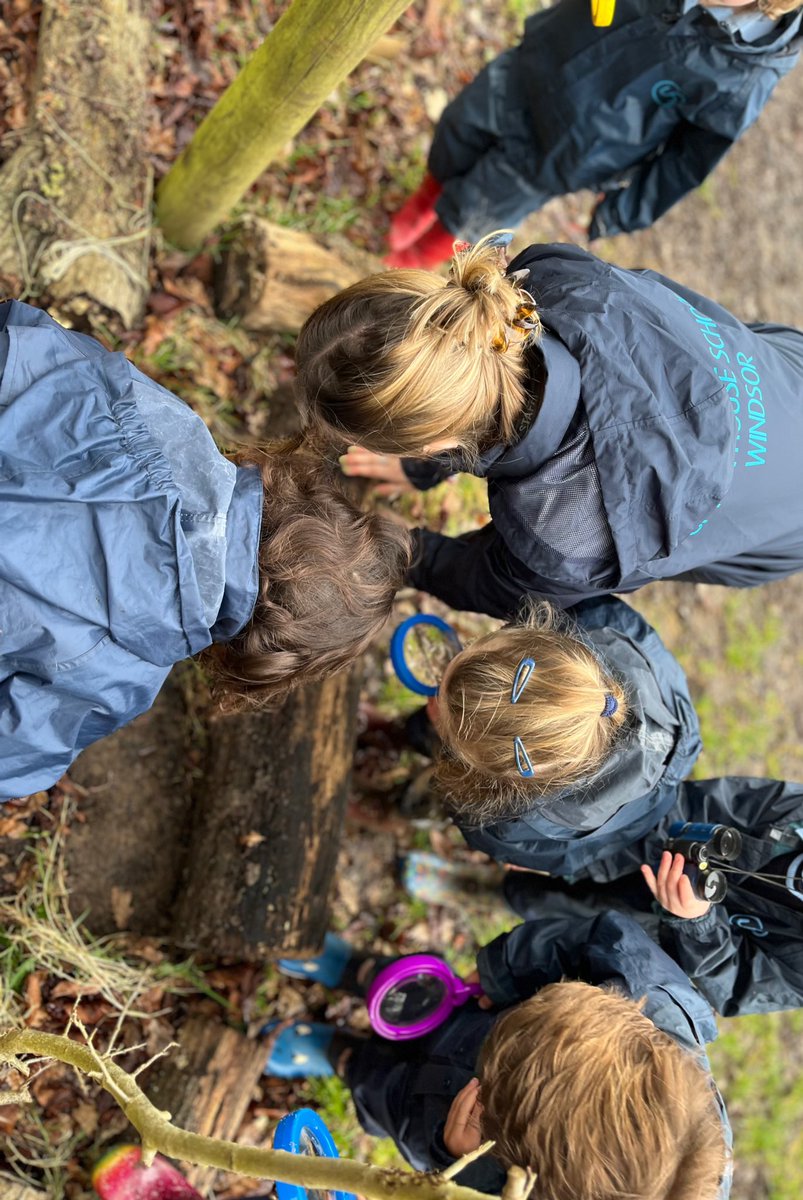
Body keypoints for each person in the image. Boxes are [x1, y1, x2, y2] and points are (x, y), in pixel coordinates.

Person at [0, 300, 410, 802]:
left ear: (303, 495)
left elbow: (26, 337)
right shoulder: (121, 671)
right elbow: (12, 759)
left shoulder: (169, 425)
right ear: (263, 657)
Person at [297, 237, 803, 616]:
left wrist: (388, 548)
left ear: (434, 442)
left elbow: (492, 581)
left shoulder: (570, 539)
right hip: (778, 372)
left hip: (780, 524)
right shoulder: (548, 279)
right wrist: (421, 469)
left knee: (659, 547)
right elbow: (485, 383)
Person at [266, 913, 731, 1199]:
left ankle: (342, 1056)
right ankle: (358, 970)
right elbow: (602, 939)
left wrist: (457, 1164)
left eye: (494, 1096)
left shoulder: (571, 1188)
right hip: (478, 1016)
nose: (481, 1086)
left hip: (441, 1124)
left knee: (387, 1095)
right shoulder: (655, 1000)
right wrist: (503, 972)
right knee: (412, 993)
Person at [385, 0, 803, 267]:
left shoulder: (743, 76)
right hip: (536, 65)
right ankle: (426, 199)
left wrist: (624, 209)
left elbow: (688, 160)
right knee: (458, 130)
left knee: (482, 204)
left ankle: (420, 254)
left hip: (570, 147)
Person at [377, 596, 701, 879]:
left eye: (446, 725)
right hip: (651, 782)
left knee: (437, 787)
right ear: (535, 637)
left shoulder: (507, 827)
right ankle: (402, 737)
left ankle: (400, 802)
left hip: (621, 829)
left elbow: (467, 811)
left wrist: (442, 739)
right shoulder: (601, 621)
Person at [505, 775, 803, 1016]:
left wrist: (696, 923)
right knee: (535, 848)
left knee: (546, 909)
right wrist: (577, 856)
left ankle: (505, 893)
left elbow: (737, 985)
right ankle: (506, 859)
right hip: (649, 845)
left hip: (664, 935)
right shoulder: (796, 816)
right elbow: (699, 804)